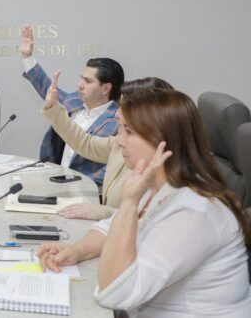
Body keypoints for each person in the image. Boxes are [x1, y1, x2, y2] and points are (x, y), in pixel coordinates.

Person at [37, 89, 251, 317]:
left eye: (129, 131)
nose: (119, 141)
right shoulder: (157, 186)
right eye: (120, 128)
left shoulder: (195, 211)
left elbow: (114, 293)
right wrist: (76, 250)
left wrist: (129, 203)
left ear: (163, 140)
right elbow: (109, 228)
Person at [42, 75, 173, 220]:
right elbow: (86, 143)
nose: (117, 113)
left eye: (124, 107)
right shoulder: (120, 142)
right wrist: (54, 108)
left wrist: (104, 212)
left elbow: (149, 221)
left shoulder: (165, 170)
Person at [20, 25, 123, 187]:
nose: (79, 84)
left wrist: (78, 185)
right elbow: (47, 88)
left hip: (87, 191)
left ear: (105, 88)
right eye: (81, 78)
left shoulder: (119, 121)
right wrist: (28, 57)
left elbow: (113, 168)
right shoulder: (74, 101)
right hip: (55, 180)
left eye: (87, 81)